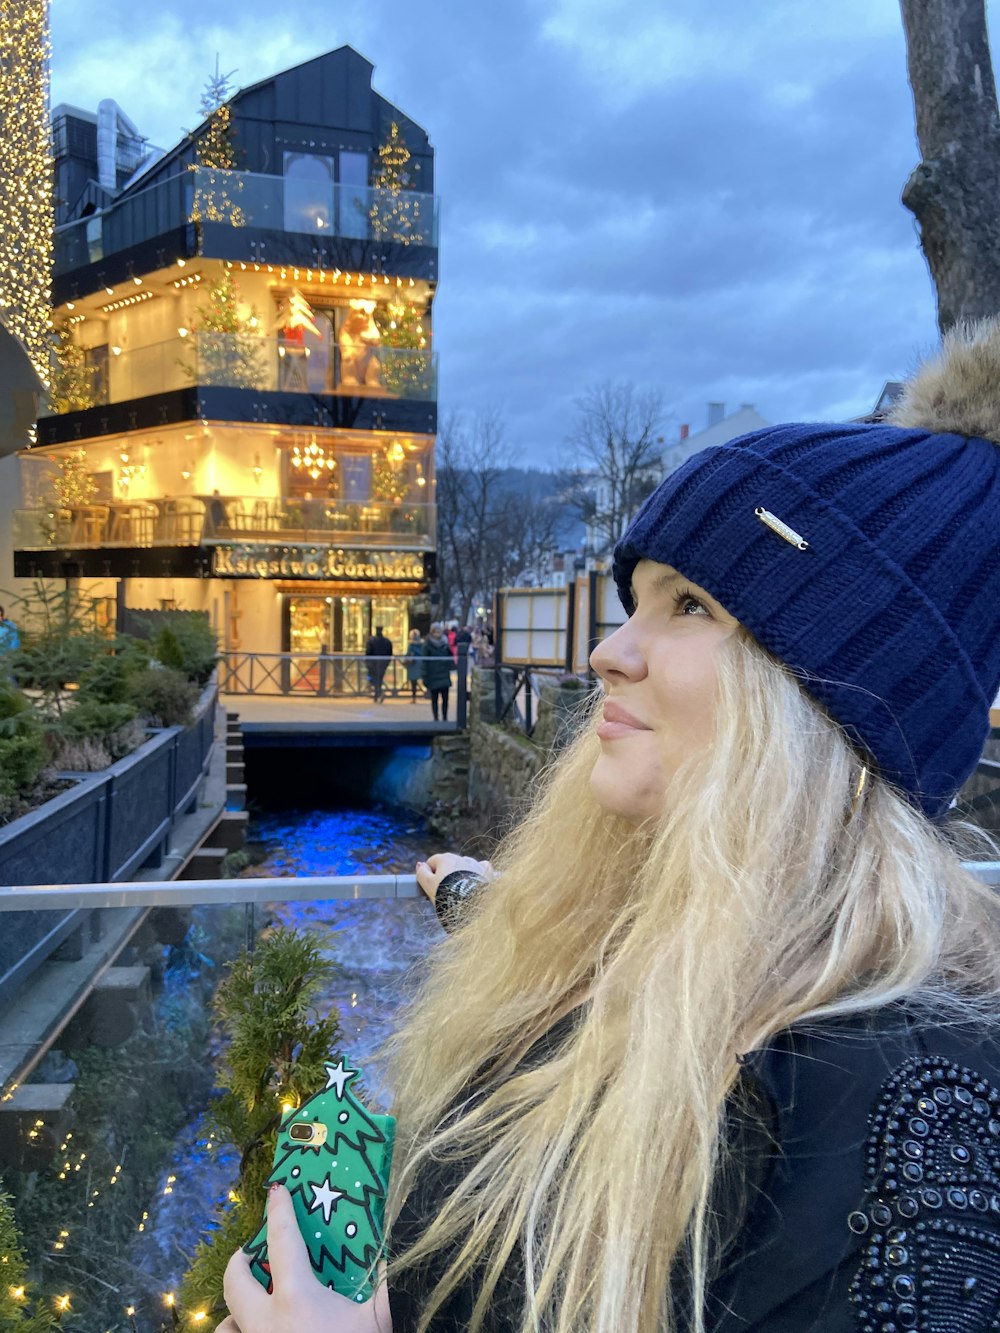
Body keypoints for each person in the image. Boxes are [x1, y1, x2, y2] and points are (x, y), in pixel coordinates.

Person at [222, 321, 1000, 1333]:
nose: (608, 653)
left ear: (833, 709)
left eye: (689, 607)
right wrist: (483, 901)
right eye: (634, 601)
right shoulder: (653, 949)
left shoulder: (905, 1114)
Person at [419, 622, 454, 722]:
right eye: (435, 632)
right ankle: (435, 718)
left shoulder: (445, 643)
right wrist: (424, 675)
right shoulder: (427, 644)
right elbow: (424, 661)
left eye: (439, 631)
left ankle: (445, 718)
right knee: (434, 699)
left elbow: (451, 658)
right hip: (432, 675)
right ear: (432, 632)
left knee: (445, 699)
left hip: (444, 675)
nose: (437, 634)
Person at [365, 625, 393, 704]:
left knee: (371, 678)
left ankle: (379, 693)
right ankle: (377, 695)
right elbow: (390, 653)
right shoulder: (387, 641)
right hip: (383, 663)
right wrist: (387, 662)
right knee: (379, 679)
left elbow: (368, 652)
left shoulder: (371, 641)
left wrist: (367, 662)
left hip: (373, 663)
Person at [404, 627, 424, 702]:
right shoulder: (422, 644)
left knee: (413, 681)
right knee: (422, 677)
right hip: (421, 662)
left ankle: (414, 697)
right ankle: (428, 694)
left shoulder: (411, 645)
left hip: (413, 663)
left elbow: (408, 654)